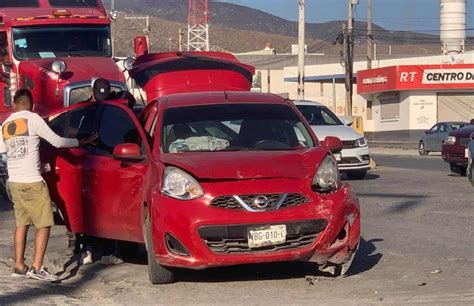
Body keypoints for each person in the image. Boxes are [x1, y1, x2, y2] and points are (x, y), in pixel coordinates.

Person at [0, 89, 97, 282]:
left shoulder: (6, 124)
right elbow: (58, 142)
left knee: (21, 224)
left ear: (15, 105)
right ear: (32, 104)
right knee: (44, 224)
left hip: (15, 182)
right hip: (33, 182)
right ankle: (37, 267)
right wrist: (81, 141)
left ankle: (19, 266)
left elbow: (5, 151)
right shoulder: (34, 119)